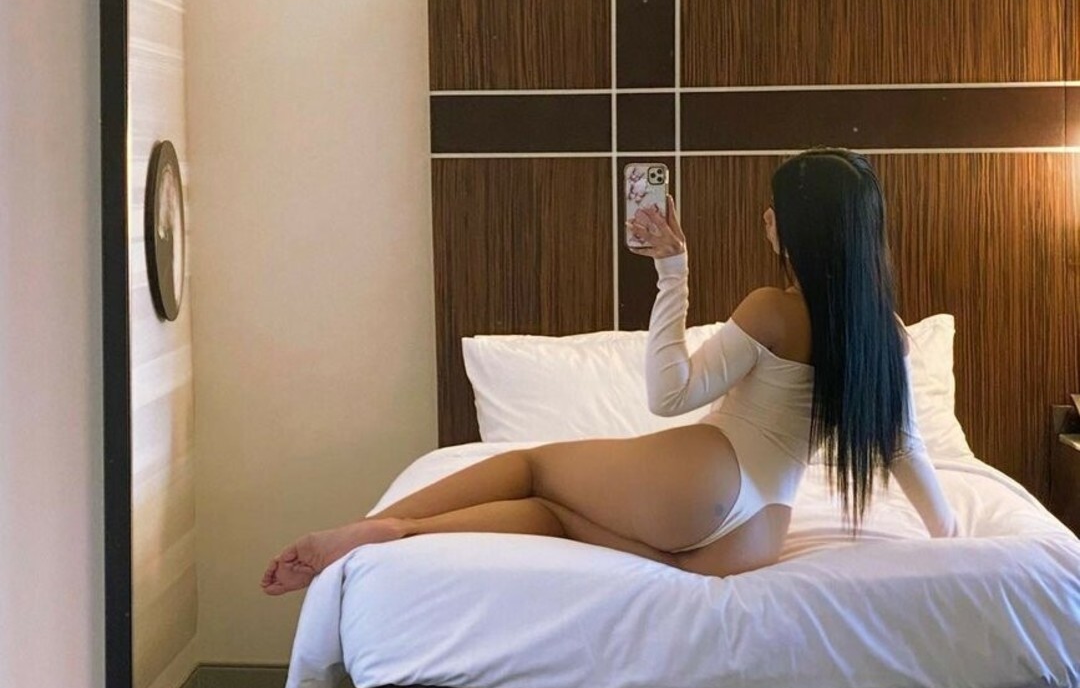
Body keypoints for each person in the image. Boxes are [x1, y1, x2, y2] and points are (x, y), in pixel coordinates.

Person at [261, 147, 958, 596]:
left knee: (534, 465)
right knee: (554, 517)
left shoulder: (771, 311)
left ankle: (376, 525)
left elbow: (669, 395)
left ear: (779, 226)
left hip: (703, 479)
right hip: (752, 540)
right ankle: (403, 536)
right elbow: (906, 451)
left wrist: (673, 274)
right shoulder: (887, 339)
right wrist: (954, 541)